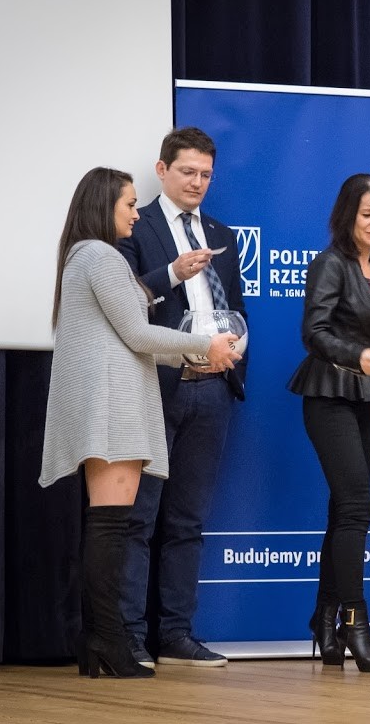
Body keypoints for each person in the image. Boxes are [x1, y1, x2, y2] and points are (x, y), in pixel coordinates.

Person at [39, 167, 240, 678]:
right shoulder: (101, 255)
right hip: (115, 408)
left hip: (109, 405)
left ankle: (99, 642)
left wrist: (192, 351)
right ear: (104, 204)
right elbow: (137, 333)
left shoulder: (85, 255)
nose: (135, 212)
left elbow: (127, 331)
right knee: (112, 528)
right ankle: (109, 641)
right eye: (128, 204)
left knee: (109, 526)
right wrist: (204, 346)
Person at [118, 127, 248, 669]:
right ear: (162, 170)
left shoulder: (221, 233)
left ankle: (176, 633)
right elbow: (125, 301)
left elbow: (234, 307)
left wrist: (236, 352)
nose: (197, 182)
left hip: (212, 391)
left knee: (188, 522)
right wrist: (173, 272)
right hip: (156, 389)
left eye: (206, 174)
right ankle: (129, 636)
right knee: (138, 519)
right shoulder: (136, 226)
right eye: (188, 172)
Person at [287, 174, 370, 673]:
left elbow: (367, 331)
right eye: (367, 214)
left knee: (345, 509)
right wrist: (362, 355)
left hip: (366, 394)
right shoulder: (330, 263)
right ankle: (355, 623)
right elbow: (314, 332)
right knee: (358, 505)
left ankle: (324, 620)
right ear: (347, 215)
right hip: (329, 393)